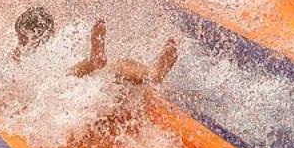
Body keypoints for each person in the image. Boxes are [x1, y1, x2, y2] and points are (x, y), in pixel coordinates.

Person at [13, 8, 178, 109]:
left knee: (66, 77)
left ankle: (95, 63)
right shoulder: (59, 45)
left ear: (27, 35)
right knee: (117, 68)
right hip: (78, 89)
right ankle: (150, 73)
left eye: (21, 36)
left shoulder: (33, 55)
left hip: (64, 93)